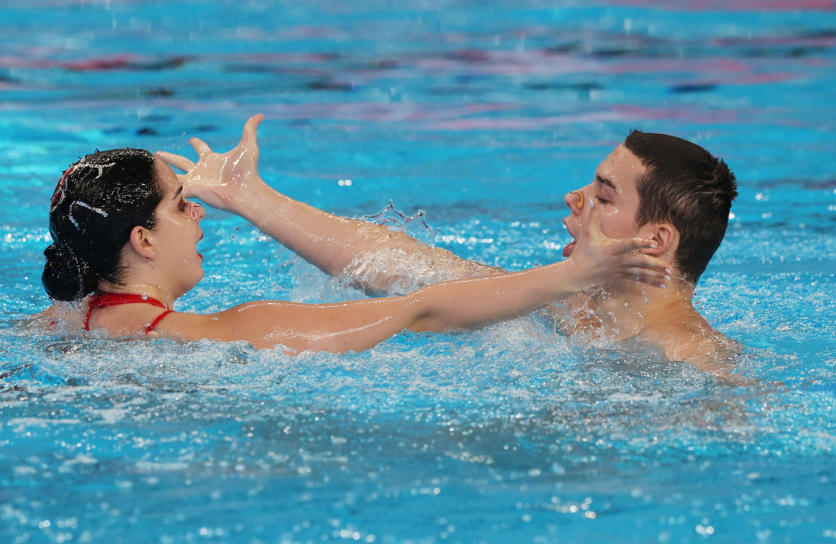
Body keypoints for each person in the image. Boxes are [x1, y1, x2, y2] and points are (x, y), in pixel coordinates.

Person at [37, 117, 671, 354]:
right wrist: (572, 275)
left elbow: (419, 271)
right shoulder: (227, 331)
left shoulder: (65, 323)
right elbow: (418, 305)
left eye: (603, 194)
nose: (199, 213)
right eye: (181, 205)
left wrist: (255, 200)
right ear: (143, 242)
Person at [156, 115, 738, 370]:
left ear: (656, 239)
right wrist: (250, 196)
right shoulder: (568, 303)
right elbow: (396, 265)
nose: (574, 197)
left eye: (604, 195)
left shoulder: (689, 357)